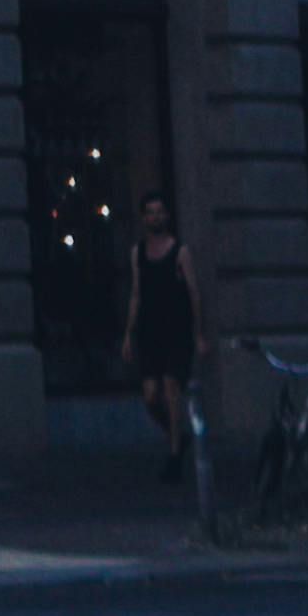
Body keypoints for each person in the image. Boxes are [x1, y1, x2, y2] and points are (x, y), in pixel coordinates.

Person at [127, 190, 203, 477]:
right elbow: (136, 294)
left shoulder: (179, 251)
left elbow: (194, 293)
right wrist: (128, 334)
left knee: (172, 390)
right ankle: (177, 435)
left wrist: (199, 334)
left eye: (160, 211)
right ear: (144, 217)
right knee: (150, 397)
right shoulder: (138, 252)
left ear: (166, 216)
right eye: (150, 212)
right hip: (149, 331)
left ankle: (173, 456)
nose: (155, 216)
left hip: (176, 329)